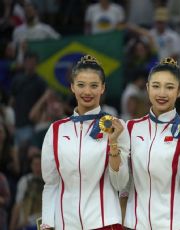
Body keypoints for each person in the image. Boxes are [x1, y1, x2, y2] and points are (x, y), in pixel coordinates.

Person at [41, 55, 130, 229]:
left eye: (94, 85)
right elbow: (51, 184)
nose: (87, 92)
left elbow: (121, 184)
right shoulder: (56, 130)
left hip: (105, 222)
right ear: (72, 87)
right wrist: (47, 223)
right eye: (81, 85)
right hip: (65, 224)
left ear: (103, 88)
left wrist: (113, 143)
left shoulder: (117, 127)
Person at [122, 57, 180, 229]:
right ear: (148, 88)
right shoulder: (131, 128)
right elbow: (123, 185)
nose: (162, 93)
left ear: (179, 91)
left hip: (177, 225)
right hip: (136, 224)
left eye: (170, 87)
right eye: (156, 86)